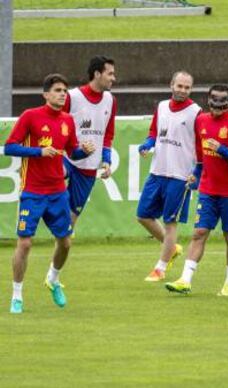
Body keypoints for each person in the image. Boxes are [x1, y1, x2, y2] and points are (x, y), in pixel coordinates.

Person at [4, 74, 95, 314]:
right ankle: (17, 296)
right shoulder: (30, 116)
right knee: (24, 244)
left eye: (64, 90)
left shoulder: (68, 120)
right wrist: (39, 151)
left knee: (65, 242)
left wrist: (82, 151)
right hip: (32, 192)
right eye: (57, 90)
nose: (62, 93)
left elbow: (72, 152)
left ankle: (53, 279)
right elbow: (9, 147)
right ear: (46, 94)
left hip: (57, 192)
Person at [165, 84, 228, 296]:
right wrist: (196, 173)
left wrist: (221, 150)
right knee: (199, 233)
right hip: (207, 188)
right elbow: (200, 153)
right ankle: (185, 280)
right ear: (208, 100)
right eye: (215, 101)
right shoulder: (201, 120)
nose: (218, 106)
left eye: (223, 102)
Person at [138, 71, 202, 282]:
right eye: (179, 86)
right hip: (157, 171)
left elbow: (200, 147)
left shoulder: (196, 113)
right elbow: (154, 133)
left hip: (180, 175)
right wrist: (147, 145)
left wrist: (197, 173)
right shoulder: (162, 106)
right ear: (171, 85)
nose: (182, 90)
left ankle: (161, 267)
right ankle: (171, 248)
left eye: (187, 87)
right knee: (143, 215)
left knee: (170, 222)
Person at [62, 55, 117, 228]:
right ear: (97, 74)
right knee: (45, 187)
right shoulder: (72, 97)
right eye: (110, 74)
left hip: (89, 166)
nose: (113, 78)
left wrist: (106, 160)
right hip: (66, 157)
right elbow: (57, 125)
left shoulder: (110, 100)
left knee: (69, 222)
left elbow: (107, 135)